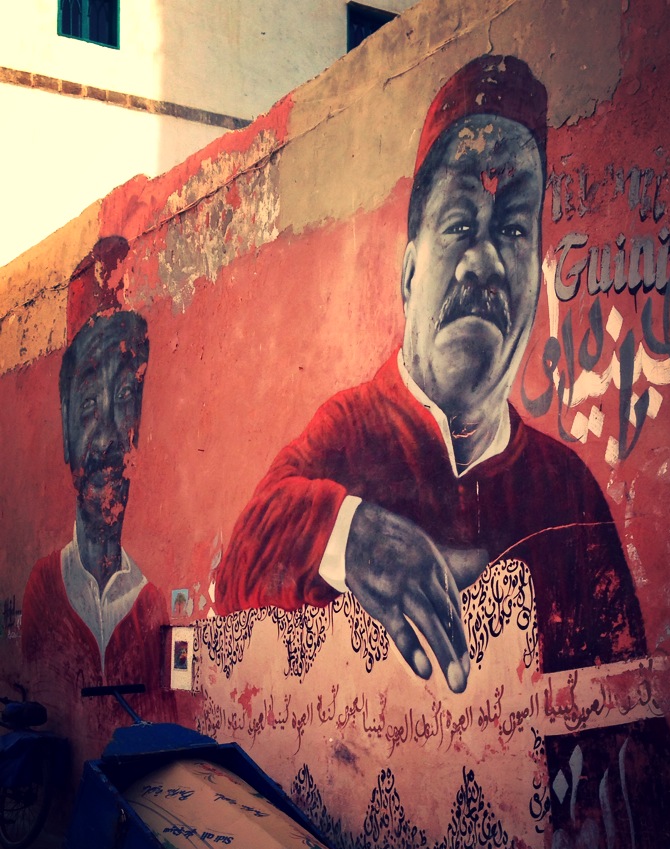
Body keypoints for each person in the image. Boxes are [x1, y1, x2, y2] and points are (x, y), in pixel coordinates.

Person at [216, 56, 646, 691]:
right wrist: (350, 535)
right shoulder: (350, 431)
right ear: (410, 273)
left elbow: (628, 712)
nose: (484, 263)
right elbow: (237, 568)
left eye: (514, 229)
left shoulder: (567, 492)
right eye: (460, 226)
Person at [22, 239, 169, 760]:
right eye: (88, 404)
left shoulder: (151, 603)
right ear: (65, 429)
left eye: (125, 397)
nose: (106, 436)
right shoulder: (42, 593)